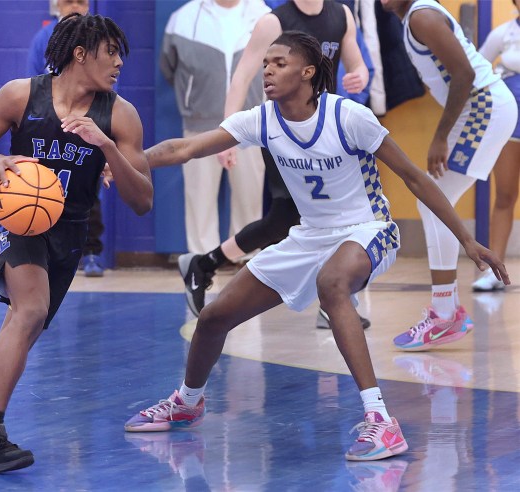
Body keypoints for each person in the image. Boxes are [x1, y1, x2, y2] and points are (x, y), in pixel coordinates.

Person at [124, 31, 509, 461]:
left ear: (307, 71)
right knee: (214, 317)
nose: (268, 70)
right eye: (266, 62)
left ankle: (382, 421)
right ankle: (187, 402)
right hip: (310, 235)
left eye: (279, 63)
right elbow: (185, 148)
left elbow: (415, 177)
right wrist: (124, 158)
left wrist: (467, 239)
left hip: (369, 228)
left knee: (333, 284)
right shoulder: (263, 119)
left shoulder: (348, 116)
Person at [0, 13, 153, 473]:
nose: (118, 64)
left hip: (70, 232)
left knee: (24, 329)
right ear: (79, 53)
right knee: (28, 312)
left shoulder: (120, 114)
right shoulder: (20, 94)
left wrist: (107, 147)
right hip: (20, 221)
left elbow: (143, 200)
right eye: (110, 53)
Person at [176, 0, 372, 330]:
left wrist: (359, 77)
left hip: (325, 132)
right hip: (284, 130)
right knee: (292, 215)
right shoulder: (274, 21)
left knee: (299, 218)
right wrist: (228, 136)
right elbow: (241, 76)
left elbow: (357, 65)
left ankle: (203, 264)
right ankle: (331, 300)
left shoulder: (342, 15)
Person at [381, 0, 517, 351]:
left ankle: (445, 314)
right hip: (479, 110)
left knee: (433, 201)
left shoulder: (423, 16)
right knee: (432, 201)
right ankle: (447, 311)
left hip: (484, 109)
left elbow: (466, 75)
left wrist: (441, 136)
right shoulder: (412, 16)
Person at [159, 0, 269, 255]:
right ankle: (201, 259)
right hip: (200, 125)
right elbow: (168, 66)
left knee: (249, 198)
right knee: (200, 199)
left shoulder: (263, 15)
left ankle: (245, 257)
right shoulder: (183, 18)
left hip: (250, 125)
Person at [27, 0, 106, 278]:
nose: (74, 6)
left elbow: (108, 84)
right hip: (50, 126)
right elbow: (34, 82)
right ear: (57, 5)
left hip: (87, 124)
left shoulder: (99, 37)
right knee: (43, 188)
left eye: (81, 1)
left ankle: (92, 253)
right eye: (68, 1)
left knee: (88, 189)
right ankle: (42, 250)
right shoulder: (43, 39)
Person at [472, 0, 520, 291]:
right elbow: (476, 69)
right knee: (504, 195)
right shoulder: (502, 33)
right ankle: (495, 272)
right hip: (511, 124)